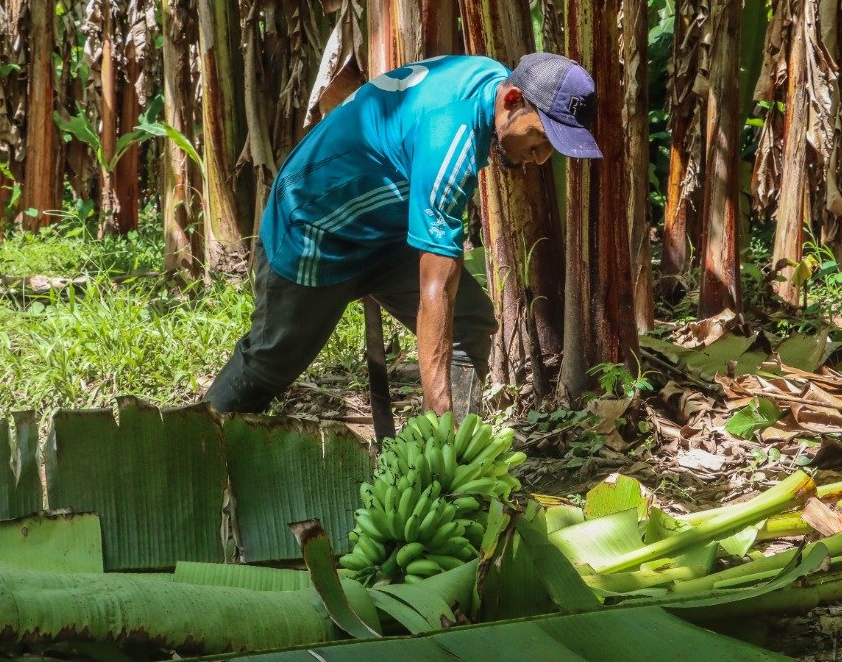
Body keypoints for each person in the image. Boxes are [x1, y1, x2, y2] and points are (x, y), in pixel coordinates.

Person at [203, 52, 602, 419]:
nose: (539, 159)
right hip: (316, 227)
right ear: (513, 100)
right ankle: (198, 443)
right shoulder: (451, 136)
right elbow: (436, 288)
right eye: (541, 141)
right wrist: (437, 404)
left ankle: (453, 461)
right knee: (269, 364)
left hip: (383, 232)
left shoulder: (490, 80)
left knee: (468, 324)